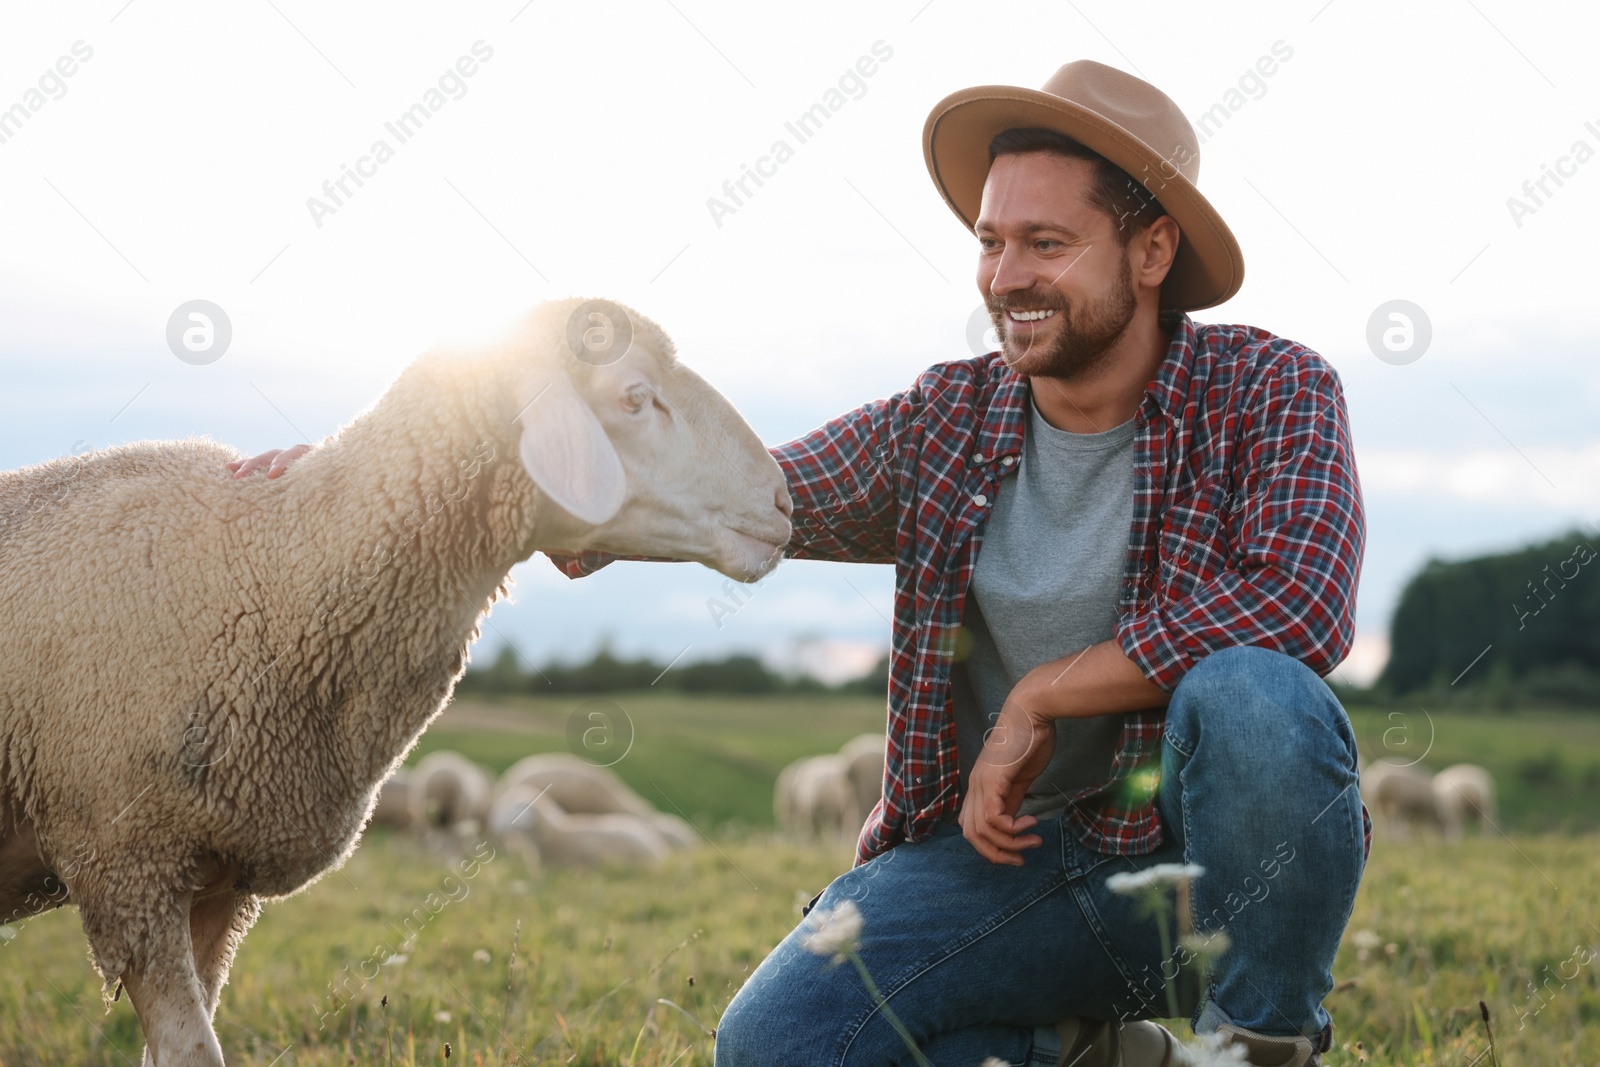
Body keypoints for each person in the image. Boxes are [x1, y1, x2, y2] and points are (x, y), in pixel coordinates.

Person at [234, 60, 1368, 1067]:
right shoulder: (942, 422)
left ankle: (1254, 1045)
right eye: (989, 240)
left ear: (1152, 249)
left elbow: (1300, 600)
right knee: (777, 1041)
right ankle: (1096, 1050)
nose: (1006, 276)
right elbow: (744, 492)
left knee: (1255, 691)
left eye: (1047, 243)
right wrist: (384, 474)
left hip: (1207, 868)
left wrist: (1048, 690)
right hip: (1002, 867)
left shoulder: (1270, 392)